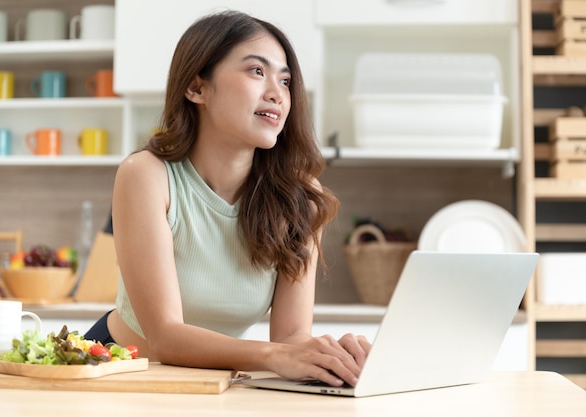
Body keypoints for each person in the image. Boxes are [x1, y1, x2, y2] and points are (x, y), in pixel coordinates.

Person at [84, 10, 371, 387]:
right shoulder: (147, 175)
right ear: (197, 88)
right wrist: (277, 356)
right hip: (115, 371)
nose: (277, 93)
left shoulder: (301, 197)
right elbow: (166, 337)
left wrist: (331, 358)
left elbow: (290, 338)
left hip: (215, 383)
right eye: (257, 71)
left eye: (285, 81)